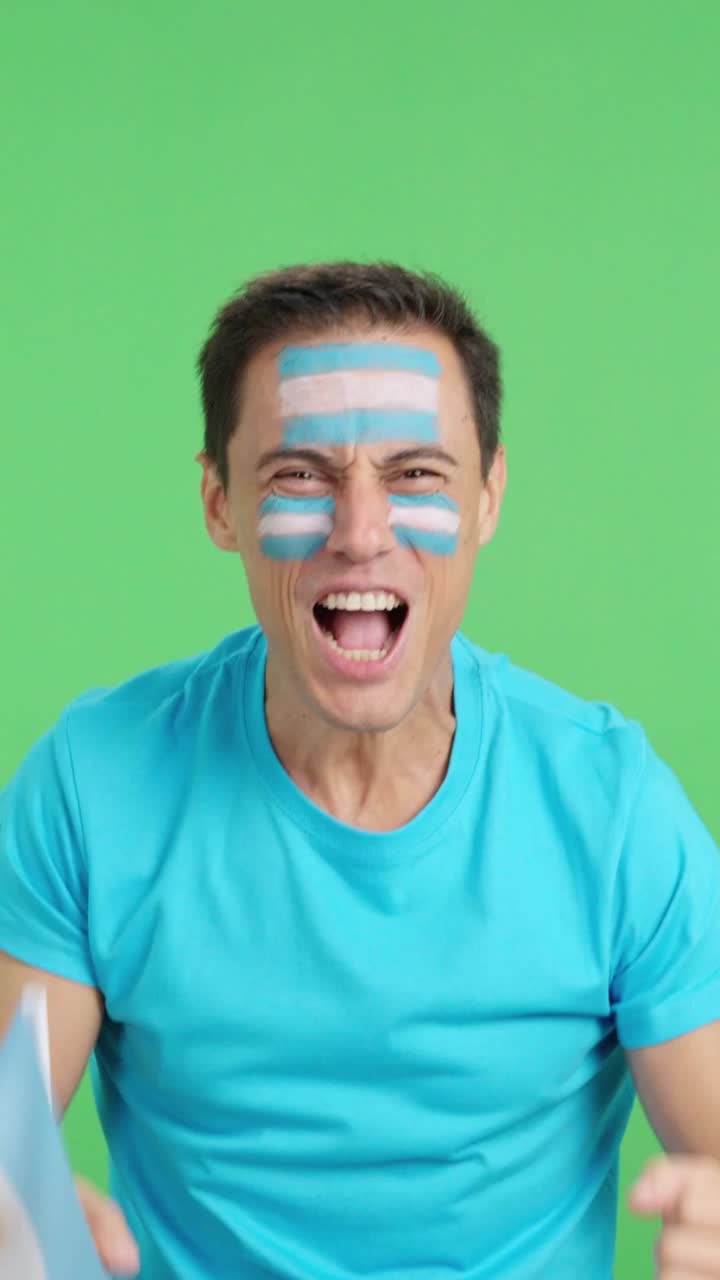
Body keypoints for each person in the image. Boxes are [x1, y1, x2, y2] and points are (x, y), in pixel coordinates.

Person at [1, 261, 720, 1280]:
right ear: (221, 502)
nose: (361, 533)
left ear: (488, 497)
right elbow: (3, 1138)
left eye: (417, 474)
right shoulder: (91, 787)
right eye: (302, 475)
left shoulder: (613, 810)